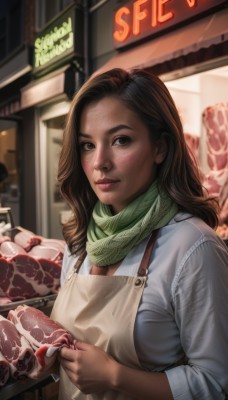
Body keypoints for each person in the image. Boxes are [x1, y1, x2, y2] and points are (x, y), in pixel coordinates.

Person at [50, 68, 228, 400]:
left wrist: (115, 377)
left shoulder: (194, 247)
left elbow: (217, 383)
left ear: (160, 147)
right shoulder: (80, 242)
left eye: (120, 140)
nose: (100, 162)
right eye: (87, 145)